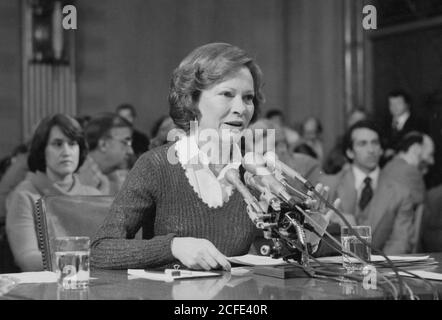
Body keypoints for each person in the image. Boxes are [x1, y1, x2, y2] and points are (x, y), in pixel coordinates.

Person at [91, 43, 335, 271]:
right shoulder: (156, 166)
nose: (241, 108)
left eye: (248, 97)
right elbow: (100, 250)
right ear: (192, 100)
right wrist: (174, 246)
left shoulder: (256, 171)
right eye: (227, 94)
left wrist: (312, 234)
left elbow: (285, 254)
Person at [5, 114, 101, 271]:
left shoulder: (94, 196)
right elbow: (27, 259)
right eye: (58, 144)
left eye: (72, 144)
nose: (66, 151)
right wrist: (79, 259)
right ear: (42, 150)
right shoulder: (25, 195)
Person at [320, 120, 415, 254]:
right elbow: (316, 239)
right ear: (350, 152)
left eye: (375, 143)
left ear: (381, 150)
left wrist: (377, 270)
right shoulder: (328, 186)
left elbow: (401, 243)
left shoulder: (401, 192)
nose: (371, 150)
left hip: (382, 269)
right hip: (336, 268)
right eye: (362, 144)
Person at [78, 113, 134, 195]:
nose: (130, 151)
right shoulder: (76, 180)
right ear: (103, 144)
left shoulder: (113, 177)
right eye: (125, 143)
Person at [382, 132, 434, 208]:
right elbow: (423, 211)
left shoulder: (390, 166)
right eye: (430, 154)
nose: (432, 161)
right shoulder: (410, 172)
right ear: (416, 148)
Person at [383, 90, 426, 161]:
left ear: (407, 104)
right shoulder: (384, 122)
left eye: (398, 103)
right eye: (391, 104)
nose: (394, 107)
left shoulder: (418, 123)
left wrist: (396, 152)